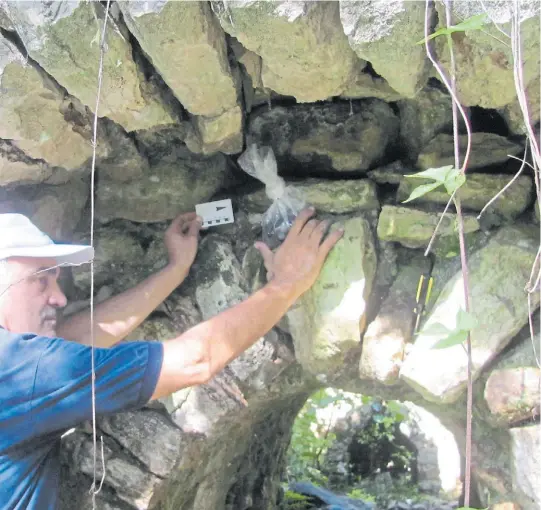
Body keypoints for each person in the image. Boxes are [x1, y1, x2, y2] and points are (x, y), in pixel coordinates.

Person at [0, 207, 343, 509]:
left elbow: (79, 338)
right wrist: (288, 284)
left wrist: (175, 270)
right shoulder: (24, 369)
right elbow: (195, 360)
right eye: (40, 281)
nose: (59, 298)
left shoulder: (18, 364)